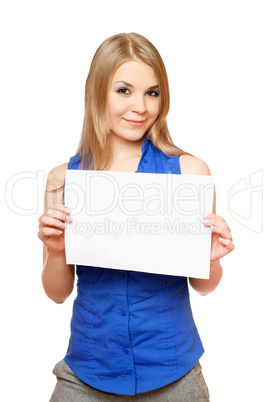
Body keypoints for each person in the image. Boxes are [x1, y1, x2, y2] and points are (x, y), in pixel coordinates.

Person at [38, 32, 235, 401]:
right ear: (98, 92)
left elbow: (204, 285)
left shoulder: (190, 173)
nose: (140, 107)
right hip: (87, 373)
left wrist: (208, 260)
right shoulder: (62, 179)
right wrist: (55, 250)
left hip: (173, 376)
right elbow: (56, 292)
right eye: (124, 90)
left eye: (152, 92)